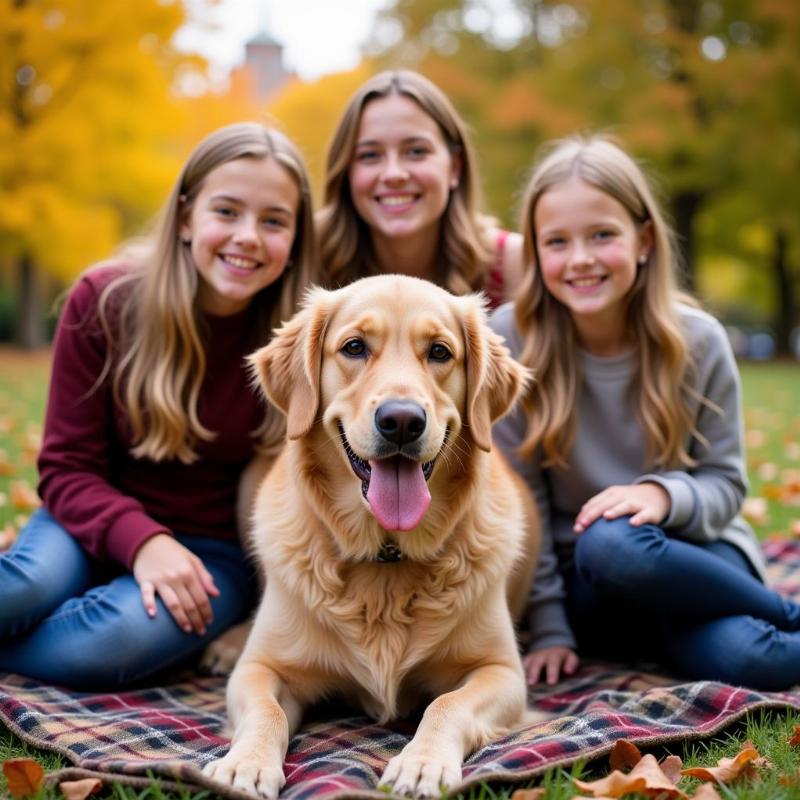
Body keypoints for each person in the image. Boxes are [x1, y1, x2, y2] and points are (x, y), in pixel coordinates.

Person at [0, 123, 318, 689]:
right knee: (22, 589)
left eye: (273, 221)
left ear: (296, 238)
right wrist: (142, 541)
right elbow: (66, 468)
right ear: (187, 215)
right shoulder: (105, 300)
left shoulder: (303, 339)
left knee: (106, 643)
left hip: (210, 552)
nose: (248, 236)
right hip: (86, 522)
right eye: (227, 211)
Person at [491, 134, 800, 692]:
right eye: (556, 242)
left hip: (692, 558)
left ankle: (780, 616)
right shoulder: (511, 339)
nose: (580, 258)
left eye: (602, 235)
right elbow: (520, 499)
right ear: (535, 254)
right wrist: (551, 627)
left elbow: (725, 485)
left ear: (644, 240)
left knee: (750, 656)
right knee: (607, 546)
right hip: (587, 587)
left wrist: (661, 496)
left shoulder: (698, 341)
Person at [317, 69, 523, 305]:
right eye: (370, 155)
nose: (394, 174)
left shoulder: (513, 266)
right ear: (346, 171)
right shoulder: (306, 257)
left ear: (455, 167)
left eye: (416, 151)